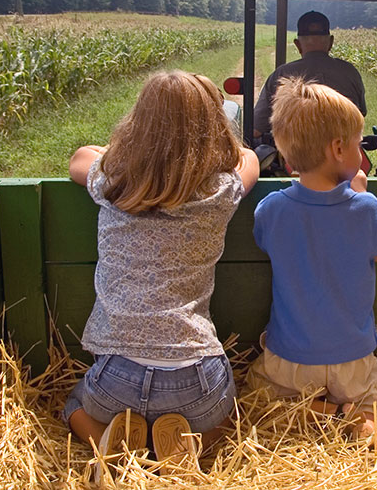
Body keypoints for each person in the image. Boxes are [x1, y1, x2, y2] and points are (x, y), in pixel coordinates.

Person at [62, 71, 260, 470]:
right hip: (196, 380)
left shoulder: (114, 181)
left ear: (138, 124)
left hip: (115, 379)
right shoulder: (220, 191)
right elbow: (249, 159)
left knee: (72, 405)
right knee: (230, 417)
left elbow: (79, 157)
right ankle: (189, 445)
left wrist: (134, 154)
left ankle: (107, 440)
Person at [247, 77, 377, 439]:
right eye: (359, 145)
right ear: (338, 149)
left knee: (257, 394)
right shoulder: (368, 209)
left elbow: (267, 242)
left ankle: (322, 412)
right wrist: (360, 194)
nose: (361, 153)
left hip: (291, 358)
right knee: (375, 399)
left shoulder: (272, 210)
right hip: (352, 359)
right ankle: (361, 418)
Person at [253, 11, 366, 140]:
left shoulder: (281, 74)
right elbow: (361, 113)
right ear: (331, 42)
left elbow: (257, 128)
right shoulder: (350, 72)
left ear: (298, 44)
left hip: (295, 154)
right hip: (343, 151)